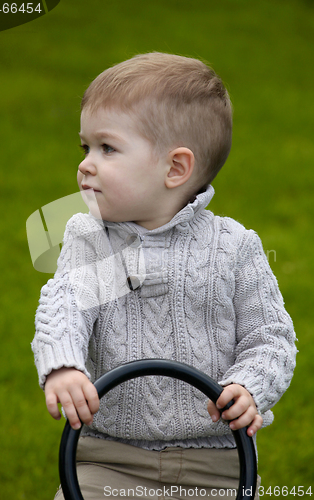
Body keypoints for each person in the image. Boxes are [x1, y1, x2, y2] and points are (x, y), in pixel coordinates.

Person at [32, 52, 297, 500]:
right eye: (86, 147)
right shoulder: (92, 237)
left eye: (107, 148)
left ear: (175, 168)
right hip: (107, 457)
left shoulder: (234, 247)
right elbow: (66, 303)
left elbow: (270, 338)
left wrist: (249, 385)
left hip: (217, 463)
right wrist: (62, 362)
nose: (86, 164)